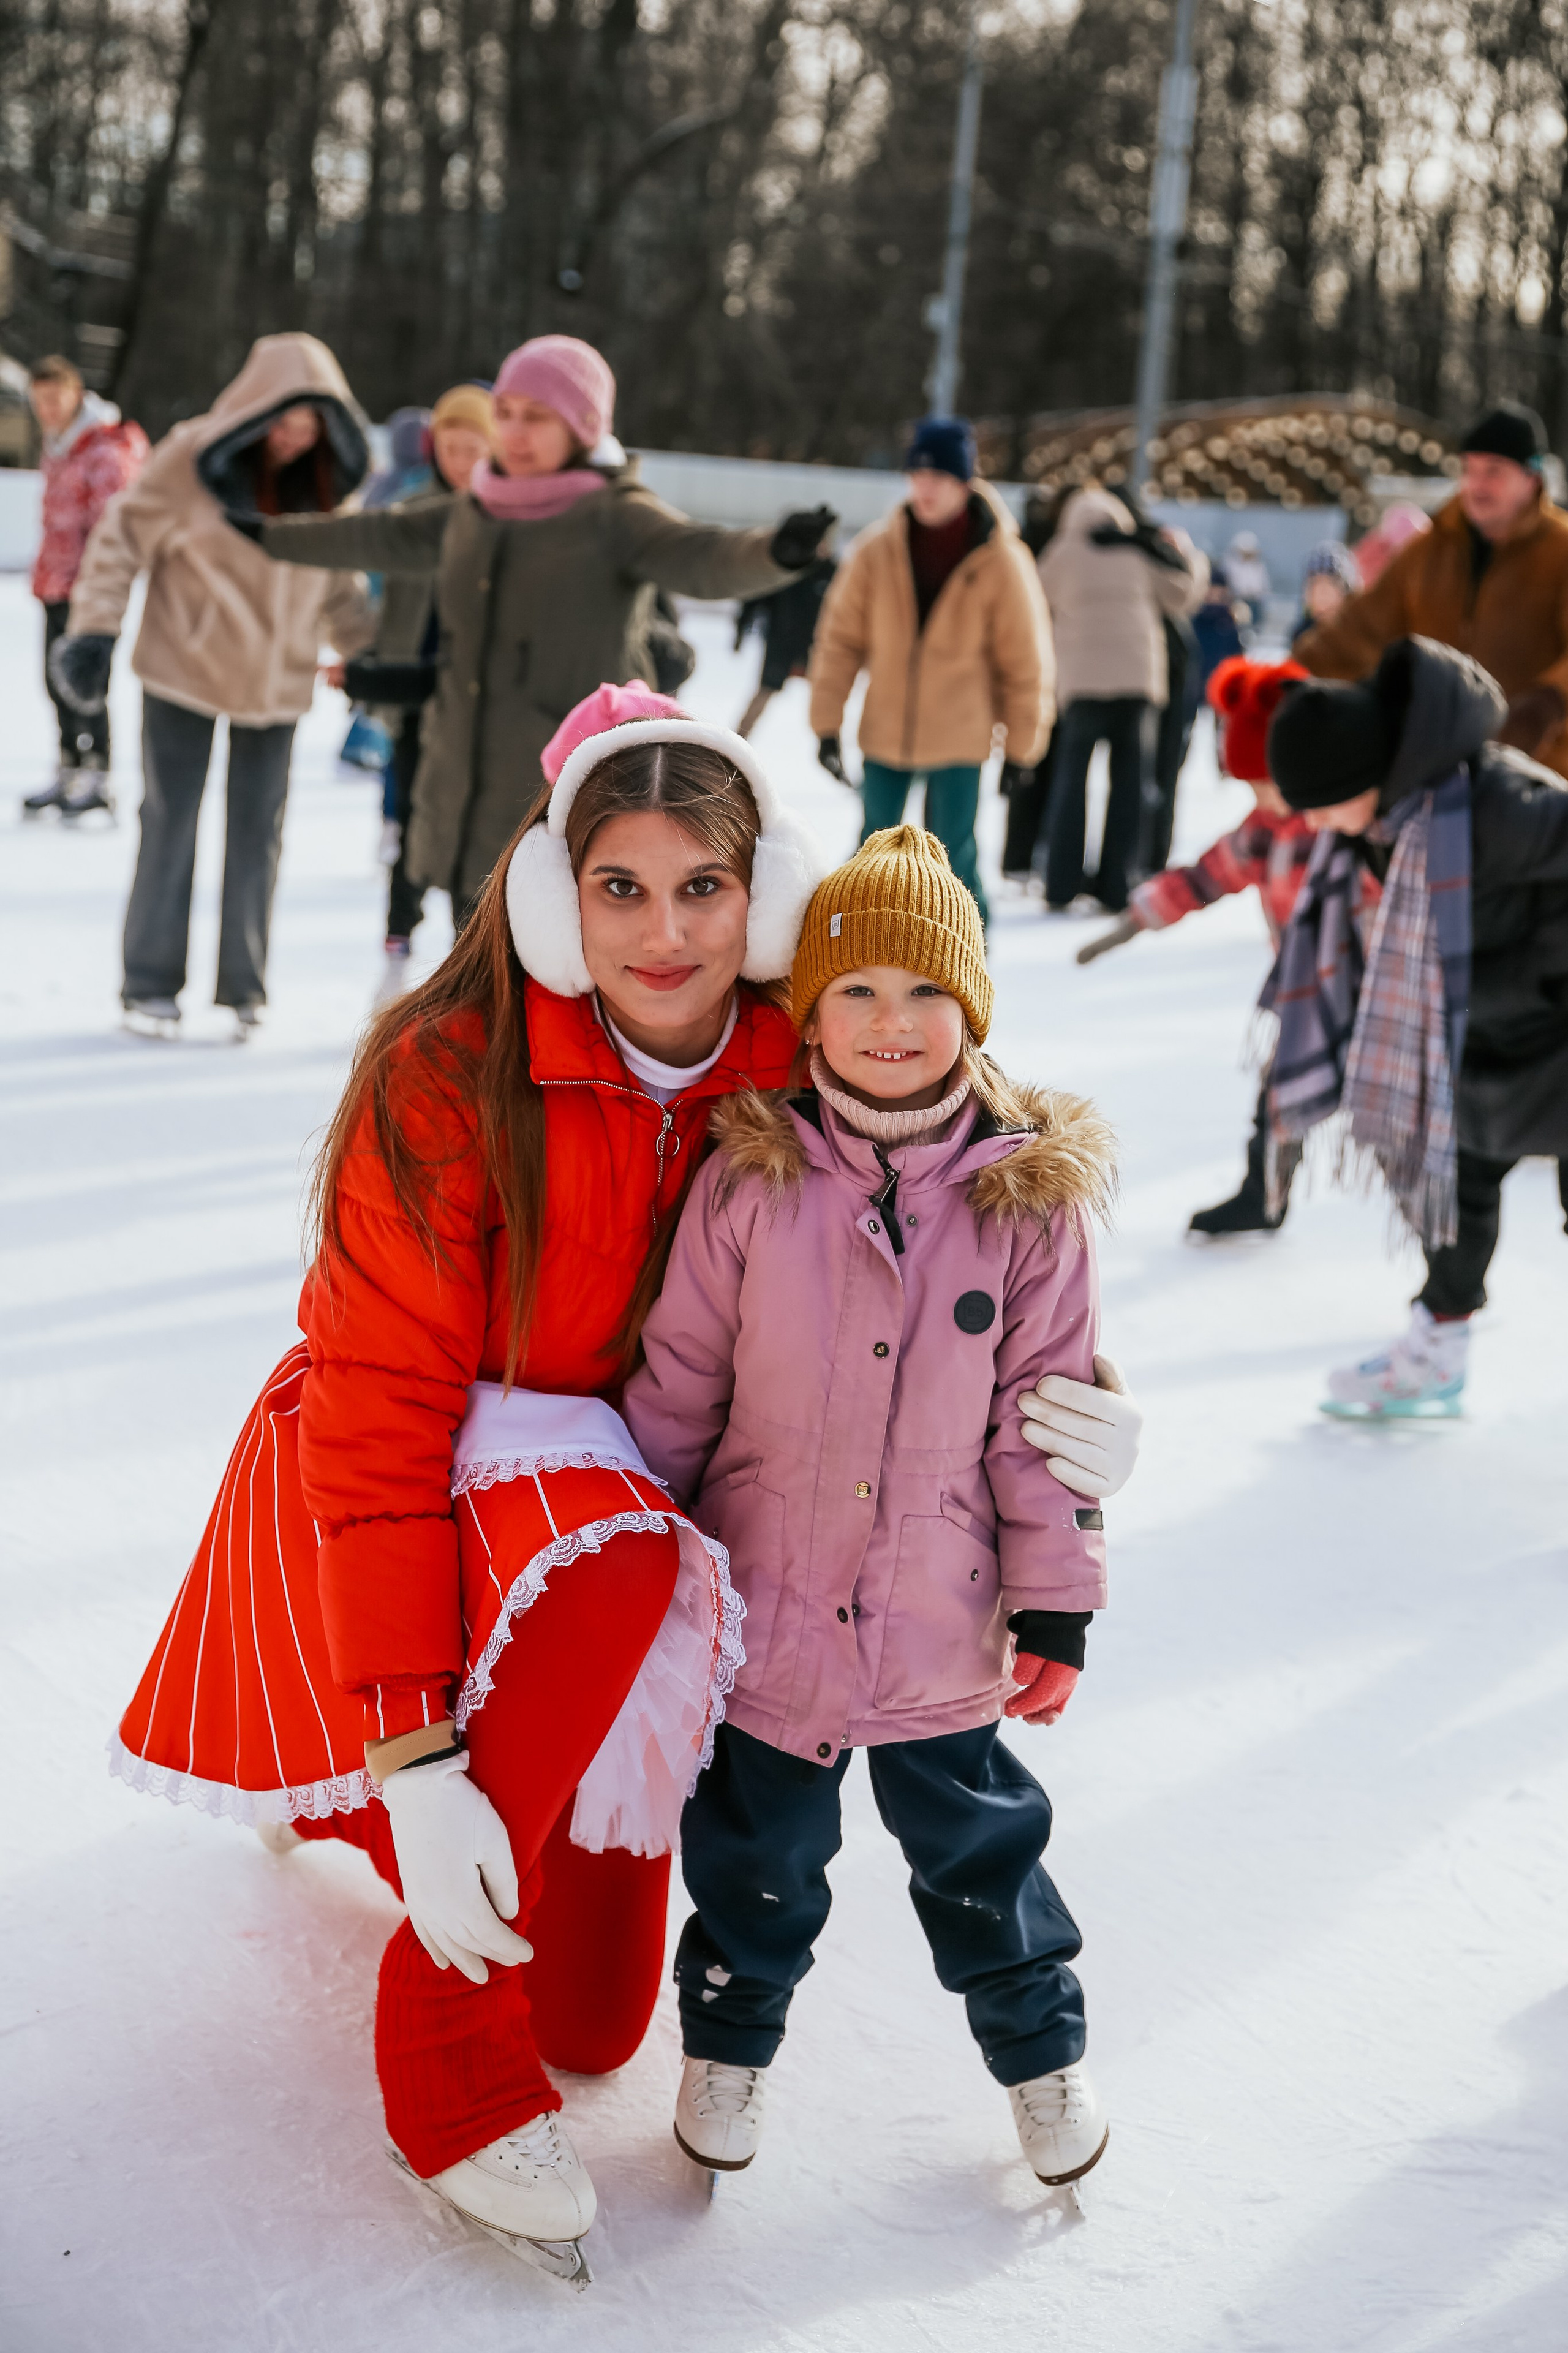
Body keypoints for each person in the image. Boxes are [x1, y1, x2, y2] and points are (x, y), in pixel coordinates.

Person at [108, 682, 1139, 2277]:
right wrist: (415, 1739)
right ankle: (436, 2044)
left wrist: (1091, 1411)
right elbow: (378, 1405)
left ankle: (376, 1822)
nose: (664, 935)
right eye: (620, 889)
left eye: (705, 890)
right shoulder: (452, 1071)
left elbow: (971, 1201)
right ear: (552, 894)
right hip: (429, 1450)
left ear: (764, 897)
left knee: (596, 2025)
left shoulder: (804, 1043)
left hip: (622, 1478)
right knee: (628, 1560)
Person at [623, 825, 1117, 2194]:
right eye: (856, 991)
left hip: (937, 1618)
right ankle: (727, 2049)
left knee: (984, 1860)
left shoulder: (1026, 1206)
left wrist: (1058, 1600)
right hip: (769, 1607)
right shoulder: (754, 1178)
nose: (890, 1024)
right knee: (753, 1859)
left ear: (969, 1006)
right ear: (806, 1014)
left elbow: (1043, 1422)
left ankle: (1037, 2054)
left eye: (921, 992)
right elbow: (678, 1386)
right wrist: (630, 1553)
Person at [255, 334, 835, 921]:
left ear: (583, 428)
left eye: (537, 417)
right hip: (463, 792)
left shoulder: (614, 514)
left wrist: (776, 553)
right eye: (504, 414)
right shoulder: (473, 510)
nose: (514, 432)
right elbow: (376, 535)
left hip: (567, 803)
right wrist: (268, 535)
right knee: (478, 976)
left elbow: (700, 556)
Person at [1262, 636, 1568, 1416]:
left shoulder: (1501, 804)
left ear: (1369, 776)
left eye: (1326, 803)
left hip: (1552, 1028)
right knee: (1452, 1190)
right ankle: (1438, 1347)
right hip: (1474, 1040)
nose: (1319, 824)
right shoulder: (1388, 817)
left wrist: (1530, 974)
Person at [51, 333, 375, 1040]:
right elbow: (119, 537)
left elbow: (342, 586)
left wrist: (370, 662)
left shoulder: (326, 485)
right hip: (183, 668)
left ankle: (243, 986)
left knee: (259, 833)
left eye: (310, 423)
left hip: (278, 680)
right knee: (170, 819)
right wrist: (96, 630)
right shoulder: (189, 456)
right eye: (284, 420)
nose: (294, 438)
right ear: (255, 410)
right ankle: (149, 983)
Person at [1077, 657, 1357, 1237]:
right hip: (1306, 988)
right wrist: (1139, 917)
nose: (1262, 794)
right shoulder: (1263, 828)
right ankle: (1265, 1195)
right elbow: (1208, 875)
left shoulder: (1341, 824)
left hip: (1364, 986)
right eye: (1253, 784)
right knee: (1278, 1099)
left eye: (1267, 781)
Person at [809, 415, 1052, 924]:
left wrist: (1022, 748)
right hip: (886, 729)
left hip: (960, 738)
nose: (925, 488)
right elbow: (840, 641)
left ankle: (970, 967)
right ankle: (850, 955)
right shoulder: (878, 550)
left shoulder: (1001, 560)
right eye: (917, 475)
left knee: (955, 860)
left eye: (938, 477)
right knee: (872, 853)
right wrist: (827, 724)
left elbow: (1024, 659)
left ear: (964, 483)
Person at [1295, 403, 1568, 779]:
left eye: (1494, 472)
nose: (1477, 484)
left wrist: (1549, 702)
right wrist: (1295, 673)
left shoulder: (1561, 549)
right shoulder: (1431, 549)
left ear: (1532, 477)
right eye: (1469, 470)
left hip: (1543, 782)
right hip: (1439, 777)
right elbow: (1362, 629)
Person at [337, 383, 496, 998]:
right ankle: (399, 936)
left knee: (472, 827)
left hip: (475, 703)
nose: (461, 460)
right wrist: (370, 656)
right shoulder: (413, 509)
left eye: (473, 448)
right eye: (451, 448)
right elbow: (375, 584)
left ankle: (470, 950)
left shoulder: (502, 520)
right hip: (410, 691)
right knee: (409, 819)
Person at [1036, 487, 1207, 912]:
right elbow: (1183, 595)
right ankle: (1117, 885)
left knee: (1070, 784)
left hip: (1081, 687)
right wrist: (1192, 558)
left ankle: (1061, 883)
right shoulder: (1135, 552)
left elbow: (1033, 597)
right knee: (1130, 785)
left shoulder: (1061, 553)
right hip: (1137, 685)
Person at [21, 354, 147, 820]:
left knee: (87, 683)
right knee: (55, 682)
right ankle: (69, 764)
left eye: (55, 399)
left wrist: (98, 589)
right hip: (55, 584)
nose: (47, 411)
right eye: (39, 402)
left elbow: (115, 533)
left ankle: (99, 770)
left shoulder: (104, 453)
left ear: (76, 394)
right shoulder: (59, 447)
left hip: (92, 592)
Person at [734, 551, 837, 736]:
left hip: (816, 647)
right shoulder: (784, 568)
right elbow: (756, 598)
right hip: (781, 645)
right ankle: (737, 742)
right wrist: (742, 629)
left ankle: (831, 744)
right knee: (764, 693)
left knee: (828, 697)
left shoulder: (831, 571)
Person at [1293, 538, 1360, 638]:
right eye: (1315, 585)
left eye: (1331, 584)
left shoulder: (1358, 634)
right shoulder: (1302, 635)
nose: (1322, 594)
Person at [1224, 529, 1271, 619]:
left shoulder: (1258, 566)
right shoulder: (1231, 565)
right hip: (1238, 600)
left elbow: (1263, 585)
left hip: (1255, 601)